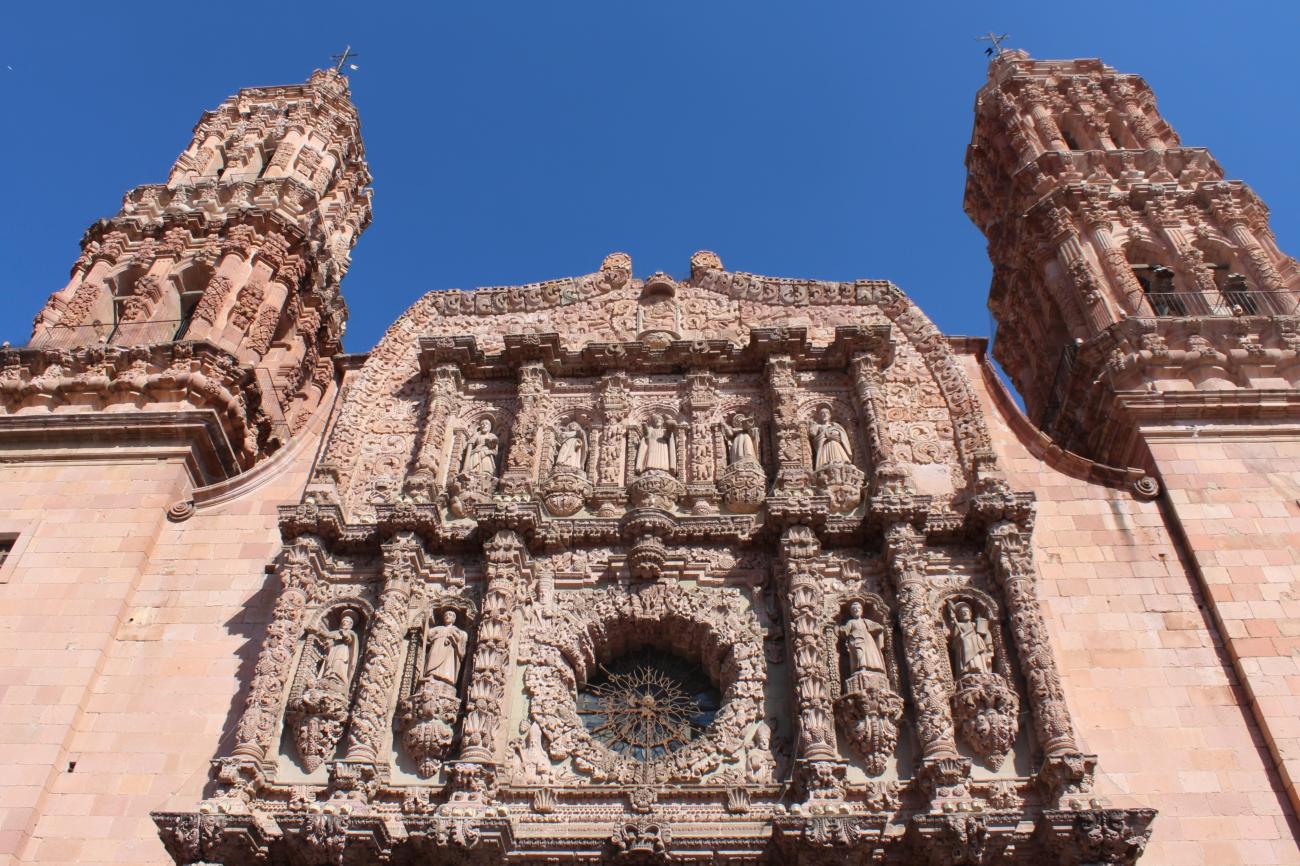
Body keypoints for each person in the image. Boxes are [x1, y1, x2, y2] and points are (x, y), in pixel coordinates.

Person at [423, 610, 468, 687]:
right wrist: (425, 620)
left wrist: (453, 636)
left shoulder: (455, 629)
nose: (447, 616)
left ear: (454, 619)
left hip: (449, 649)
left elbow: (461, 639)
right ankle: (431, 675)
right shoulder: (439, 628)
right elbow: (428, 634)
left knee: (447, 664)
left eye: (450, 615)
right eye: (446, 615)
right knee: (432, 660)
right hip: (436, 647)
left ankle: (445, 679)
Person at [949, 602, 994, 676]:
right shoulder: (959, 625)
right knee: (966, 641)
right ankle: (968, 669)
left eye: (967, 611)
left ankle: (982, 669)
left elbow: (985, 633)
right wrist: (960, 638)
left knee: (977, 640)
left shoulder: (974, 624)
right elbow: (954, 641)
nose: (965, 613)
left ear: (970, 614)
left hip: (977, 645)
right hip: (966, 648)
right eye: (962, 612)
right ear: (959, 616)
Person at [840, 601, 886, 675]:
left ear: (862, 611)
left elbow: (879, 627)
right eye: (854, 609)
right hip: (857, 639)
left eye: (858, 608)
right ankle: (862, 668)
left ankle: (873, 668)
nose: (856, 610)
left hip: (868, 639)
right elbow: (846, 630)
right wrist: (842, 629)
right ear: (851, 612)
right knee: (860, 653)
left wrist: (873, 629)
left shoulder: (866, 621)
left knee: (870, 653)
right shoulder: (851, 622)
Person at [317, 611, 359, 688]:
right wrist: (318, 631)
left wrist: (344, 635)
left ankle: (336, 676)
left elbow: (349, 639)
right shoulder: (337, 632)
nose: (344, 623)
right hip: (334, 649)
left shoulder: (351, 633)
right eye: (343, 622)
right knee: (330, 661)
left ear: (350, 624)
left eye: (346, 622)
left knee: (339, 660)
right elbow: (328, 634)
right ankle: (329, 674)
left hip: (343, 649)